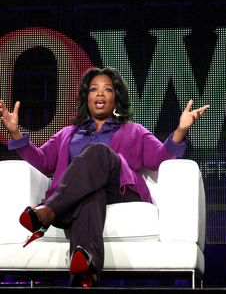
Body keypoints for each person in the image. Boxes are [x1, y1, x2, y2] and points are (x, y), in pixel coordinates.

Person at [0, 66, 209, 287]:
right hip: (84, 195)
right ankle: (85, 274)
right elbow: (43, 161)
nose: (100, 94)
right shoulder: (68, 133)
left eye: (107, 89)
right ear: (86, 97)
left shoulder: (134, 130)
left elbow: (159, 158)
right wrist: (15, 133)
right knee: (91, 194)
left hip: (121, 190)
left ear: (115, 97)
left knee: (98, 152)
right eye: (93, 89)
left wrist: (180, 130)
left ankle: (50, 211)